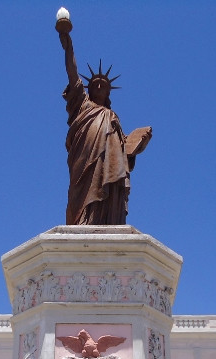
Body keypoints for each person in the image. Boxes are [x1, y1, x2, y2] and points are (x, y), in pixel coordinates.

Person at [58, 28, 152, 225]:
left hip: (108, 163)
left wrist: (137, 143)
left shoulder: (112, 117)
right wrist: (69, 48)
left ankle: (106, 219)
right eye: (95, 84)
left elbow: (123, 151)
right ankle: (83, 220)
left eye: (103, 85)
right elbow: (73, 75)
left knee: (110, 185)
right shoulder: (82, 105)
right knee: (81, 192)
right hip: (84, 157)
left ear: (109, 92)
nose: (99, 87)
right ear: (89, 89)